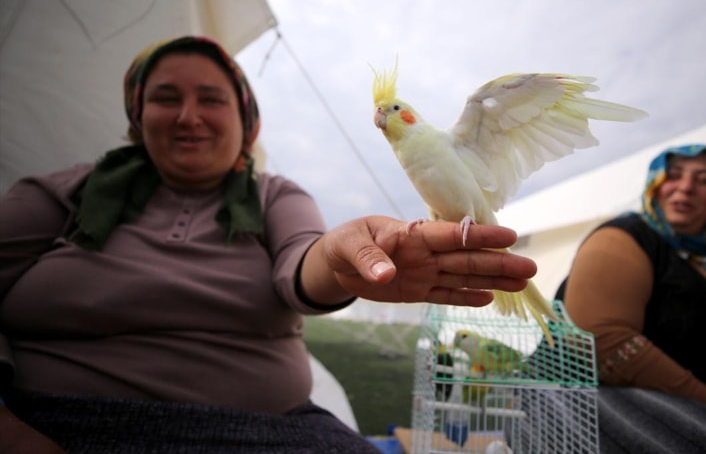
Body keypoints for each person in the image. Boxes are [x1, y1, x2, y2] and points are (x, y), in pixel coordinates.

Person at [0, 36, 539, 453]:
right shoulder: (62, 192)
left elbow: (302, 265)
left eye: (211, 99)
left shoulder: (276, 196)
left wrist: (341, 260)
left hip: (266, 431)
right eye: (165, 98)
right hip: (49, 421)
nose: (188, 115)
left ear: (246, 123)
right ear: (138, 116)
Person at [556, 144, 706, 453]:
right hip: (655, 431)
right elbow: (602, 341)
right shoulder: (628, 237)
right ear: (654, 184)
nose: (686, 187)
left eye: (705, 180)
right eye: (672, 175)